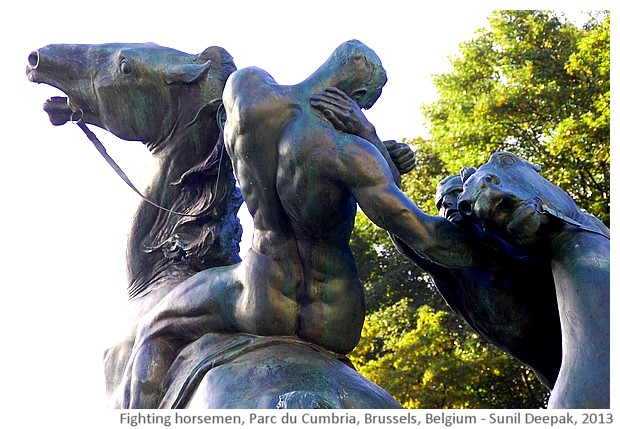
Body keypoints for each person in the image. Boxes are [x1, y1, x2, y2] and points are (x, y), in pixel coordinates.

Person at [120, 40, 516, 408]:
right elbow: (424, 236)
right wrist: (371, 139)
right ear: (356, 99)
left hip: (262, 290)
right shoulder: (348, 152)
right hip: (336, 313)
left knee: (156, 327)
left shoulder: (248, 92)